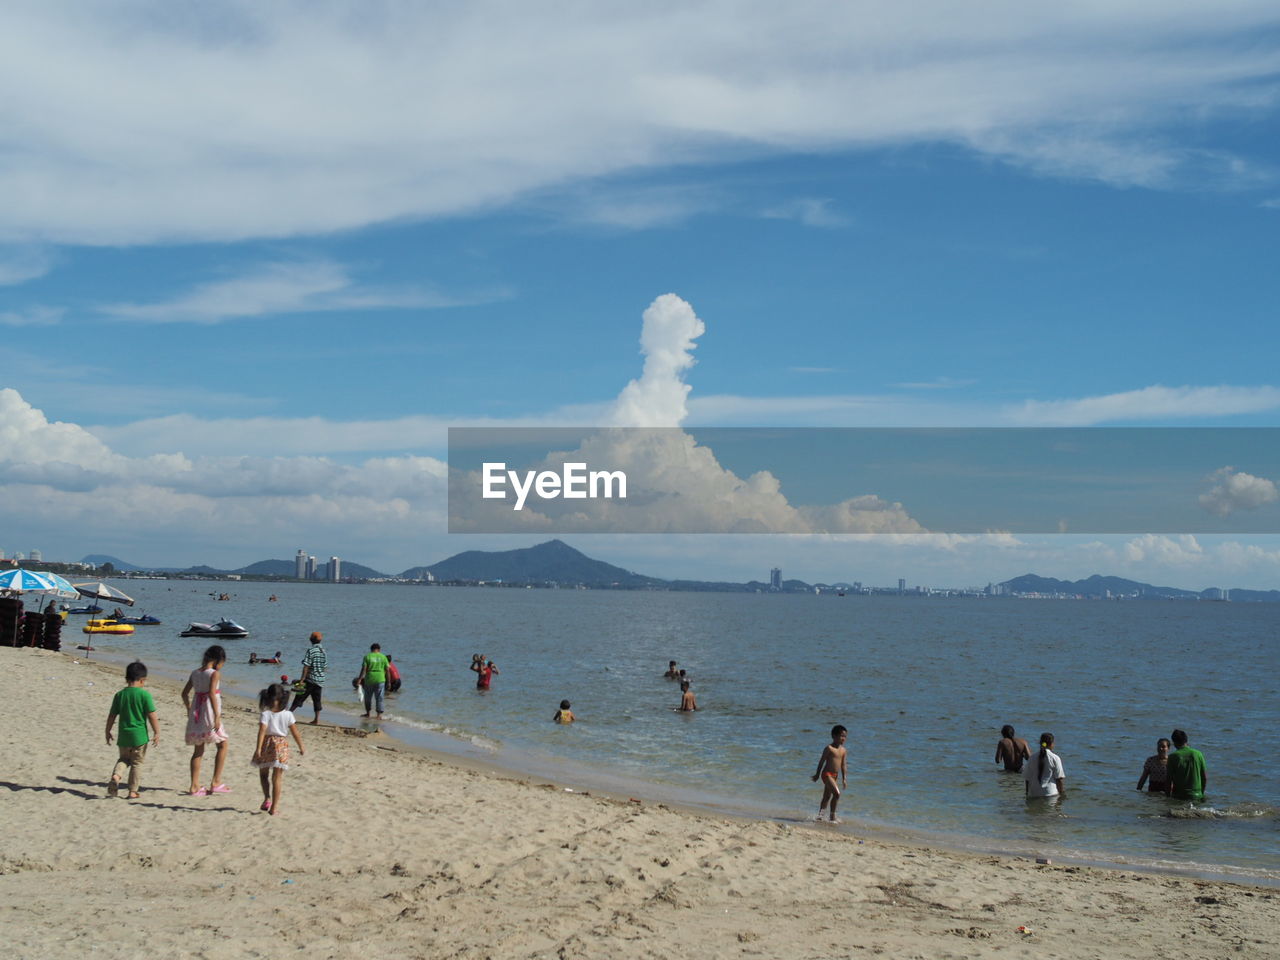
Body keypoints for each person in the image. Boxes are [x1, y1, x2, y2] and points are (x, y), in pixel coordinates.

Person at [104, 661, 159, 799]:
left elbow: (112, 715)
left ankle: (116, 776)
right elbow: (152, 715)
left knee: (123, 759)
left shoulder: (120, 695)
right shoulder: (144, 695)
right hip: (139, 737)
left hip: (124, 735)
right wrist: (157, 732)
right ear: (142, 680)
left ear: (126, 679)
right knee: (137, 763)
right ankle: (132, 791)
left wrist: (107, 730)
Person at [181, 645, 230, 796]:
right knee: (223, 744)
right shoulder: (214, 674)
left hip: (197, 711)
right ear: (218, 660)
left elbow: (184, 693)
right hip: (208, 711)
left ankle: (194, 786)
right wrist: (217, 716)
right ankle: (216, 781)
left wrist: (189, 708)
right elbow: (211, 694)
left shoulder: (195, 672)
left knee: (198, 749)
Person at [251, 682, 306, 816]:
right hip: (281, 745)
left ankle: (267, 798)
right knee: (277, 777)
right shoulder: (288, 714)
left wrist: (258, 749)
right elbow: (295, 732)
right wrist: (301, 746)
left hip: (267, 743)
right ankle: (274, 808)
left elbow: (262, 731)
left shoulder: (266, 714)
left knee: (264, 774)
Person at [811, 724, 848, 823]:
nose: (843, 739)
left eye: (845, 736)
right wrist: (817, 774)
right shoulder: (829, 748)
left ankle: (820, 816)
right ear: (834, 736)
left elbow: (843, 765)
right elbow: (821, 761)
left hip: (835, 776)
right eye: (841, 736)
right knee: (837, 794)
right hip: (826, 774)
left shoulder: (843, 750)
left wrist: (844, 778)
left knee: (827, 796)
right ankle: (832, 817)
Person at [289, 632, 327, 725]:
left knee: (299, 697)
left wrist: (302, 679)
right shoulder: (323, 651)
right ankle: (316, 720)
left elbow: (306, 666)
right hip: (320, 680)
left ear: (312, 639)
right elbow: (324, 666)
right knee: (317, 700)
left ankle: (288, 714)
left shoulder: (311, 650)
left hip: (310, 679)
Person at [1165, 729, 1207, 801]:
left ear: (1174, 742)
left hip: (1179, 796)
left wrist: (1167, 798)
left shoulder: (1172, 756)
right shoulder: (1198, 754)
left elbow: (1169, 780)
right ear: (1186, 740)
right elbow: (1204, 777)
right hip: (1197, 795)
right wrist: (1201, 794)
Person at [1024, 732, 1065, 799]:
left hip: (1034, 795)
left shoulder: (1032, 758)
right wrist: (1062, 795)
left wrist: (1027, 793)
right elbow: (1059, 779)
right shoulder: (1055, 758)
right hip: (1050, 795)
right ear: (1051, 744)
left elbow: (1027, 779)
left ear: (1040, 743)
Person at [358, 642, 391, 719]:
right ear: (379, 650)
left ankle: (368, 713)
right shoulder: (383, 657)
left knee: (368, 697)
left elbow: (364, 669)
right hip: (380, 679)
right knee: (379, 697)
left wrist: (359, 679)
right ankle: (378, 715)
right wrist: (389, 682)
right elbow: (387, 670)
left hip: (369, 678)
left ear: (371, 649)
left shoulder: (367, 656)